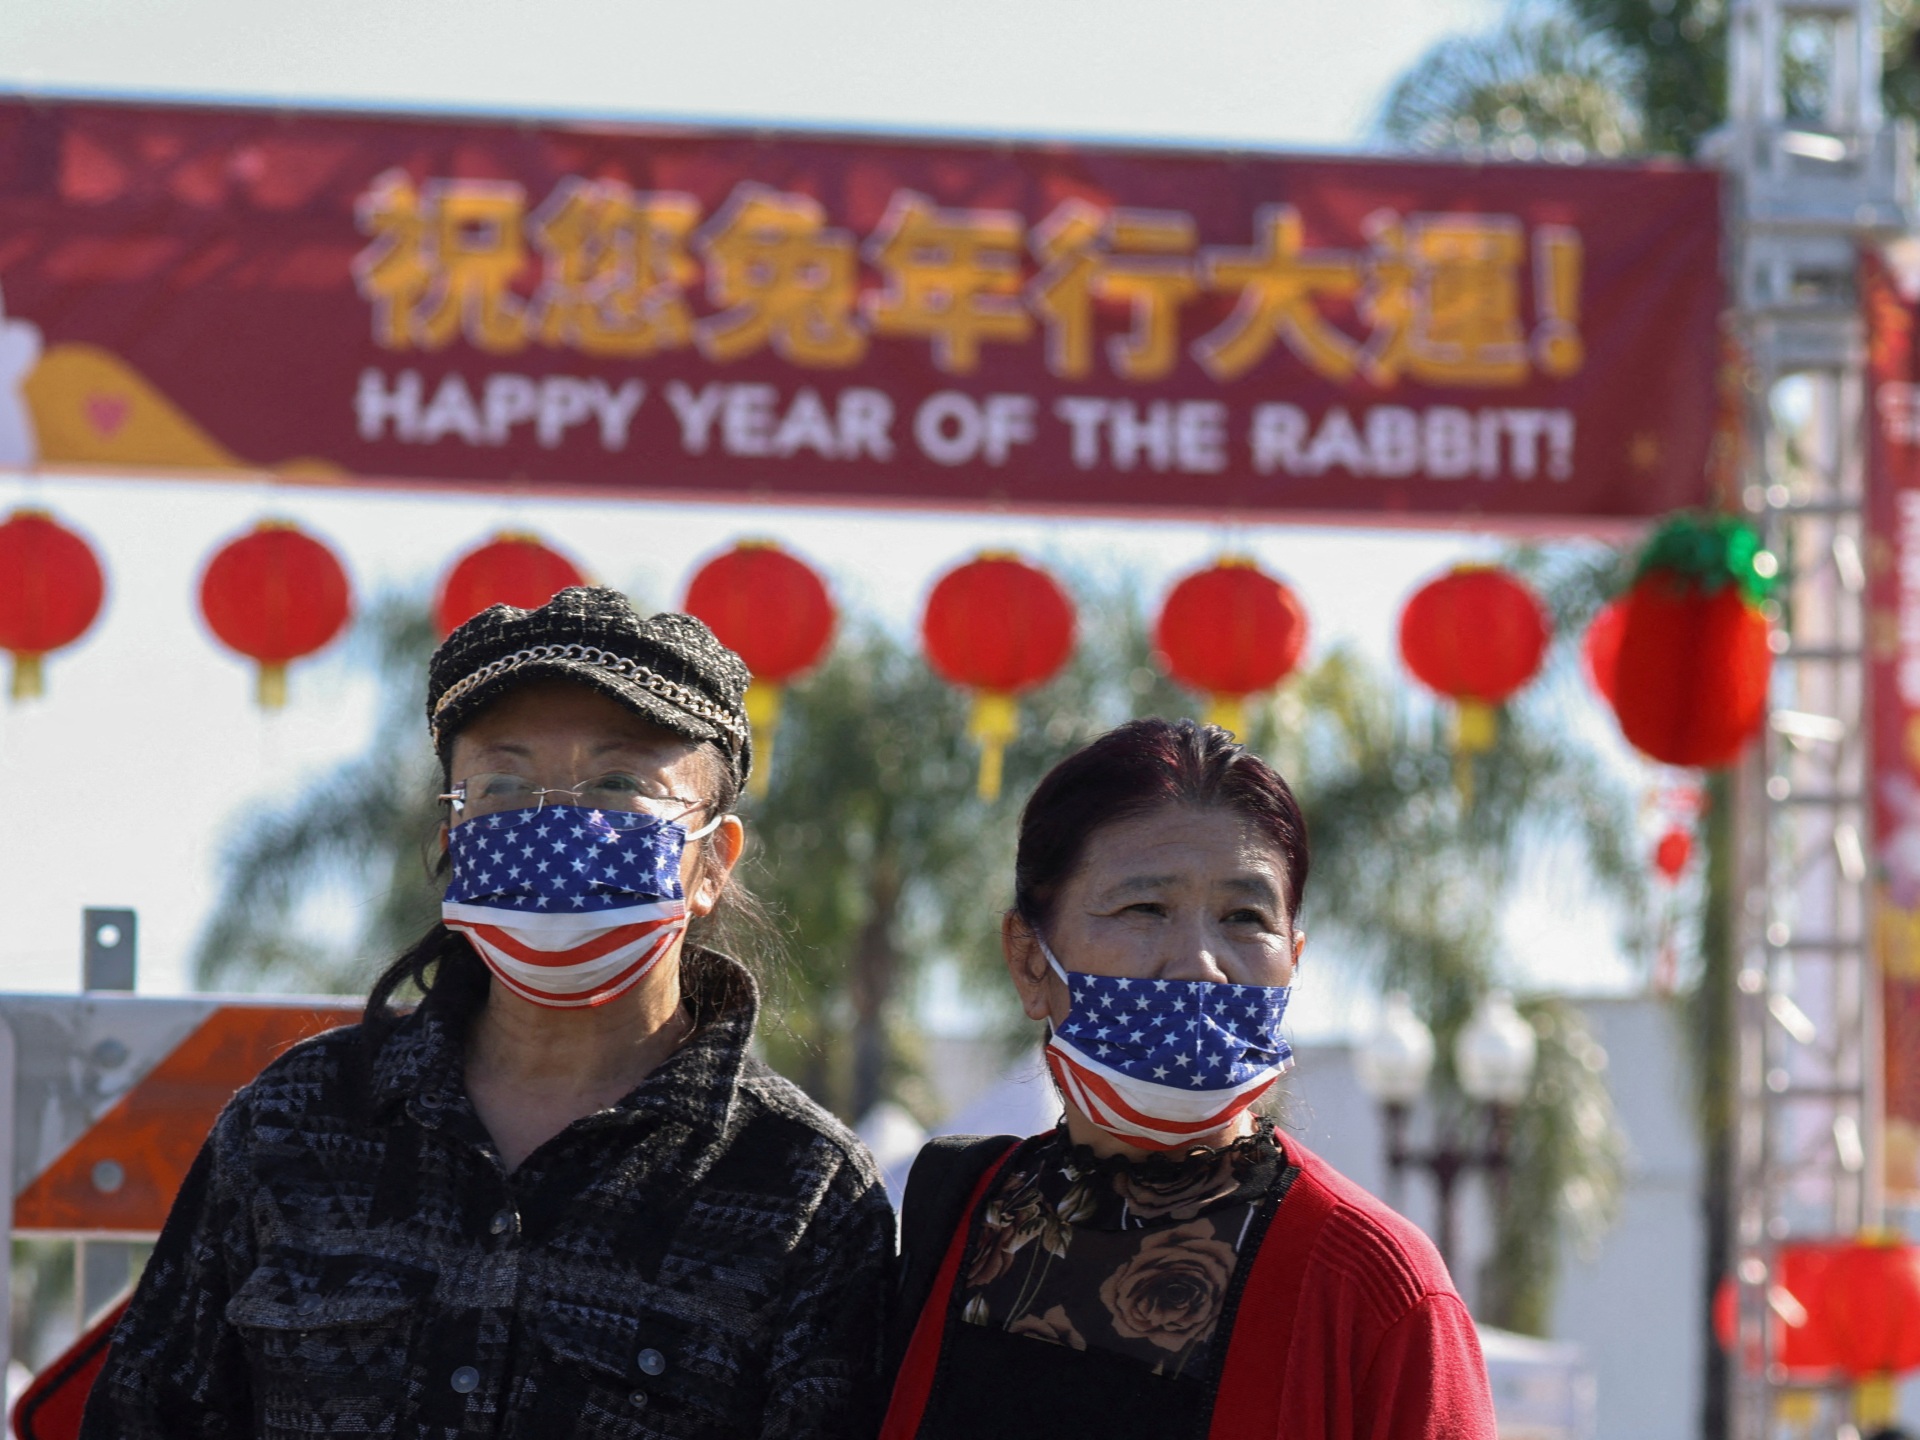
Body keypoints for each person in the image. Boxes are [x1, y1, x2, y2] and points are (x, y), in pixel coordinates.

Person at [83, 586, 895, 1440]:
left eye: (619, 784)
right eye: (503, 785)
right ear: (450, 837)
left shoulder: (801, 1188)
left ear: (713, 863)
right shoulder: (294, 1124)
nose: (556, 826)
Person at [883, 718, 1496, 1440]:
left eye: (1244, 918)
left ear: (1292, 959)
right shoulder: (956, 1213)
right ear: (1028, 961)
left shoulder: (1377, 1288)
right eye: (1145, 908)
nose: (1200, 963)